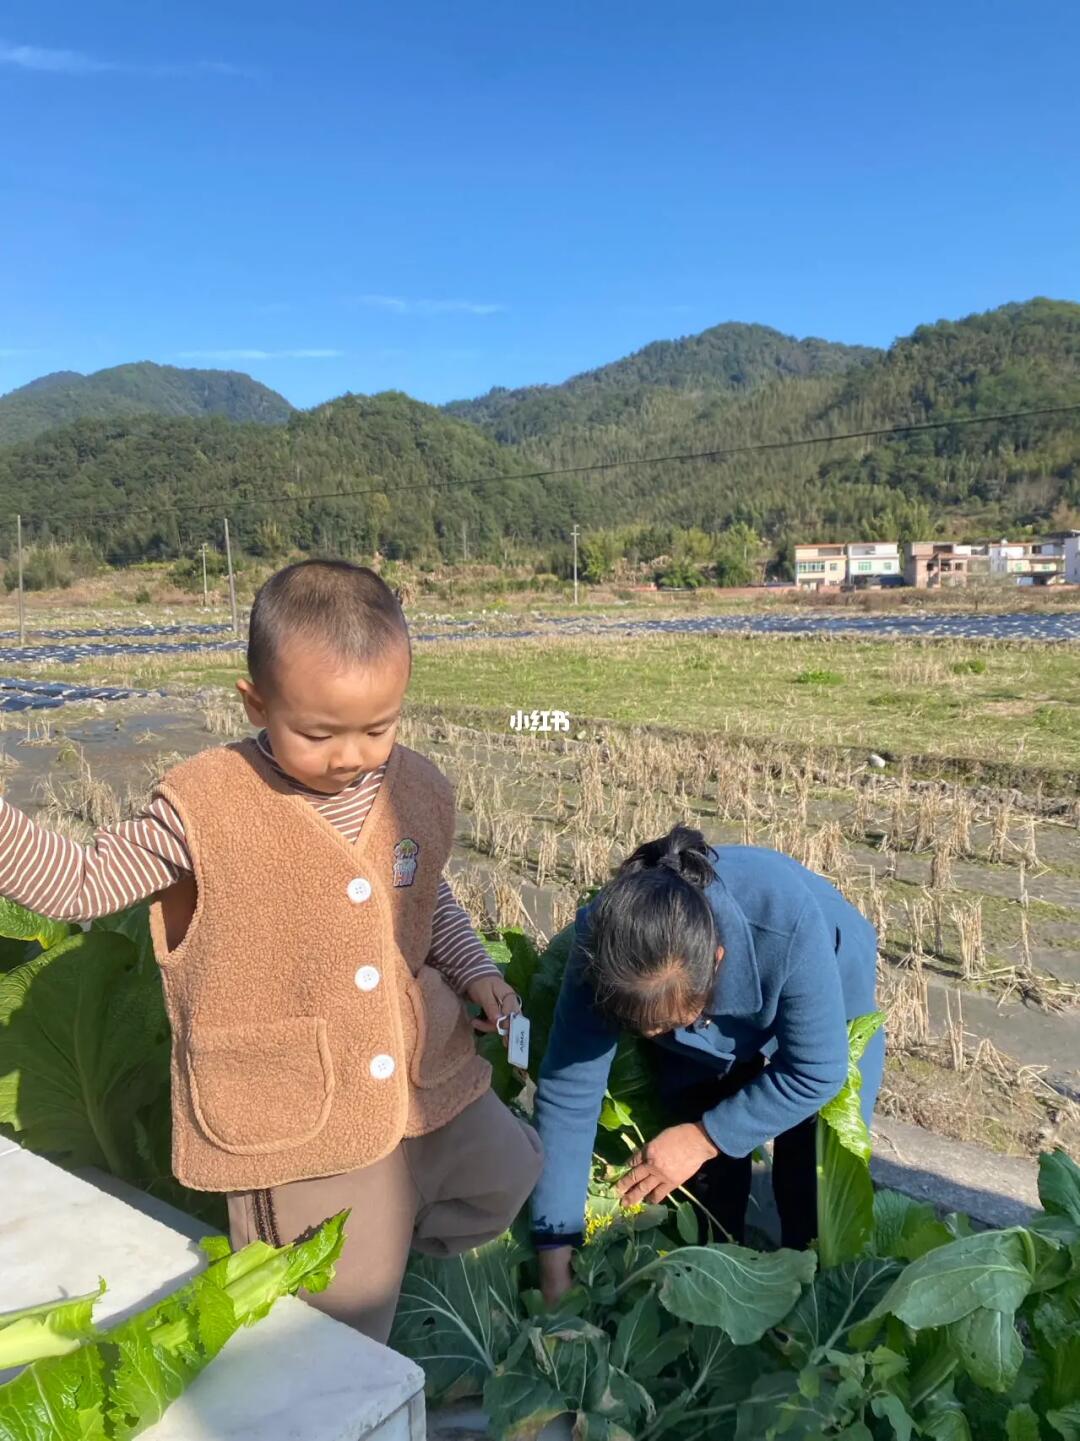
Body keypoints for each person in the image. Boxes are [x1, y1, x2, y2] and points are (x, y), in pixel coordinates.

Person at [0, 559, 541, 1342]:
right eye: (318, 733)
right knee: (340, 1326)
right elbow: (79, 884)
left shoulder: (414, 787)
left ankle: (398, 1226)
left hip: (427, 1080)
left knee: (509, 1172)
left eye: (378, 727)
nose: (352, 754)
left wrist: (479, 970)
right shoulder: (205, 808)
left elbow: (426, 895)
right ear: (257, 701)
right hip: (299, 1117)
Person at [531, 825, 881, 1305]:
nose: (656, 1038)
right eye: (645, 1031)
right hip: (683, 991)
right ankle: (722, 1286)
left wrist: (706, 1137)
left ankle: (810, 1314)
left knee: (811, 1188)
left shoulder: (785, 922)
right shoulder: (605, 947)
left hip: (829, 974)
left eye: (672, 1024)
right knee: (703, 1162)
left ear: (717, 962)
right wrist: (555, 1253)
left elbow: (816, 1071)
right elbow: (569, 1094)